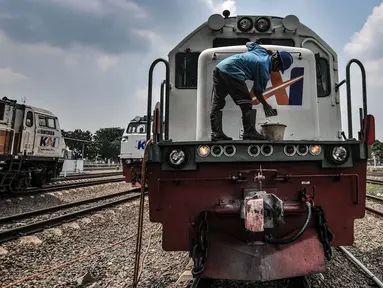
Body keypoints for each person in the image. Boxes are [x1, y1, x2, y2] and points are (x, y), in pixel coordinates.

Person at [210, 42, 294, 141]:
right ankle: (249, 132)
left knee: (218, 103)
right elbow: (257, 92)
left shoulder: (260, 51)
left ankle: (216, 134)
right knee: (246, 102)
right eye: (279, 69)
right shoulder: (264, 69)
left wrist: (266, 50)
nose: (277, 71)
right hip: (232, 72)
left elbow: (249, 43)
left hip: (220, 68)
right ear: (276, 63)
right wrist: (265, 105)